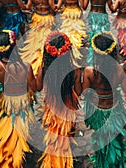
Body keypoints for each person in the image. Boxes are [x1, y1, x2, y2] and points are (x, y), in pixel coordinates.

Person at [0, 30, 37, 167]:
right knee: (23, 121)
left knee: (9, 121)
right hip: (23, 99)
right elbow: (34, 87)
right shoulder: (25, 66)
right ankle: (19, 147)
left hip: (7, 99)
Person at [82, 32, 126, 167]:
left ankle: (102, 162)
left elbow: (85, 93)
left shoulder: (89, 72)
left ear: (96, 54)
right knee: (116, 138)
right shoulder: (119, 70)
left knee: (101, 139)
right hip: (115, 110)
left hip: (98, 112)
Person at [37, 31, 82, 168]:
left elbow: (38, 88)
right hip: (68, 106)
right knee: (69, 130)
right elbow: (79, 92)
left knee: (54, 130)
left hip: (52, 105)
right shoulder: (75, 70)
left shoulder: (43, 69)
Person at [17, 0, 55, 76]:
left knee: (34, 40)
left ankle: (32, 63)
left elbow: (27, 7)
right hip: (47, 18)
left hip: (37, 17)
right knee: (45, 39)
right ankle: (42, 64)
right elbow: (54, 8)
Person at [54, 0, 87, 67]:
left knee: (73, 38)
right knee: (72, 38)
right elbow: (84, 6)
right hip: (70, 15)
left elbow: (57, 7)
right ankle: (72, 58)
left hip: (74, 16)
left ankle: (71, 59)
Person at [81, 0, 113, 65]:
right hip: (103, 16)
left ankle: (92, 60)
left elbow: (84, 7)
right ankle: (103, 61)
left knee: (93, 37)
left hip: (93, 16)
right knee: (103, 39)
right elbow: (112, 9)